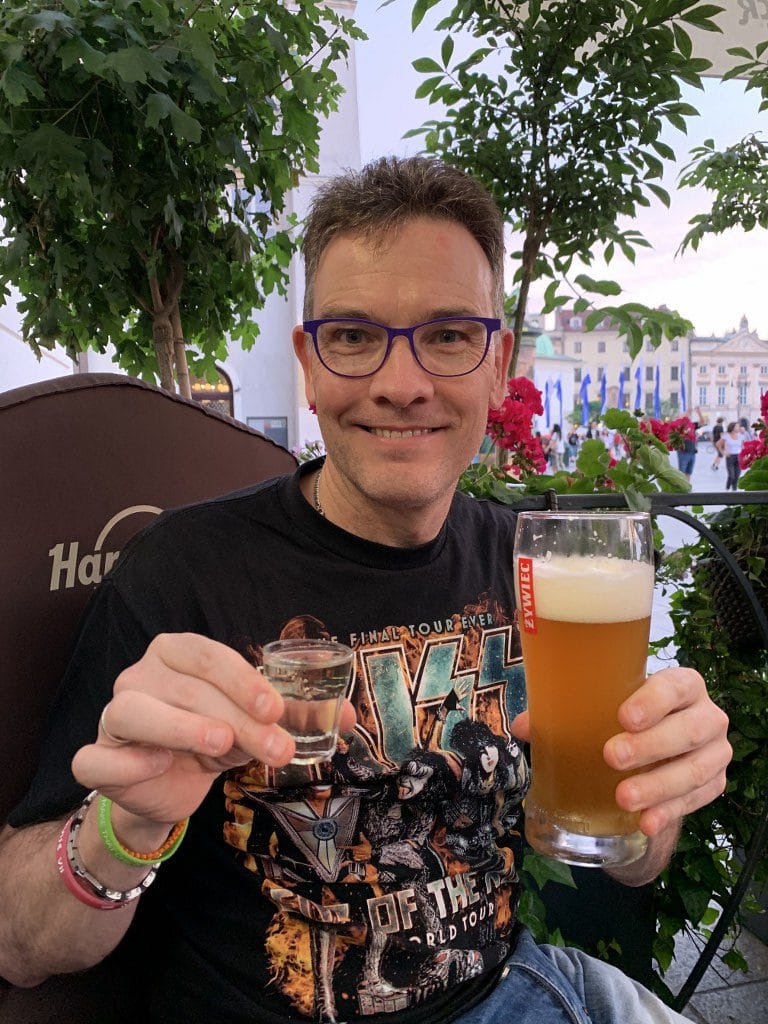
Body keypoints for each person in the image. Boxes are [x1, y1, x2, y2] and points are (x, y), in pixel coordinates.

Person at [0, 157, 731, 1024]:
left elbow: (632, 855)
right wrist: (122, 830)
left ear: (498, 364)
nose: (401, 384)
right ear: (309, 366)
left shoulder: (532, 567)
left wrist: (653, 801)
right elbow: (19, 941)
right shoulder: (183, 570)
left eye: (448, 335)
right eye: (353, 336)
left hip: (523, 994)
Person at [718, 421, 744, 491]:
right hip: (730, 457)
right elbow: (718, 444)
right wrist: (723, 452)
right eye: (737, 426)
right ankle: (727, 487)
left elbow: (742, 446)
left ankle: (734, 490)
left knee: (737, 476)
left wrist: (744, 455)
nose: (739, 427)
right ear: (732, 427)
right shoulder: (726, 436)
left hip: (739, 457)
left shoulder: (741, 436)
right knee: (731, 476)